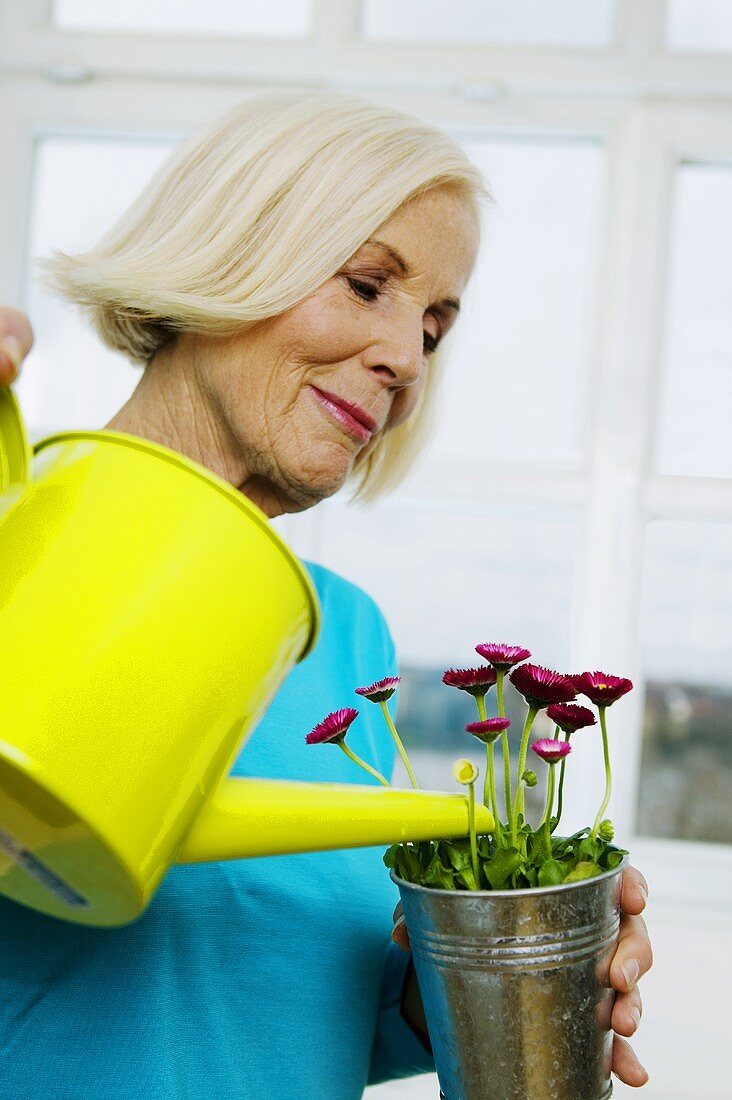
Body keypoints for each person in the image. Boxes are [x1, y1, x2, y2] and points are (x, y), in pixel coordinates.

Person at [0, 90, 652, 1097]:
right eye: (365, 284)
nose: (404, 358)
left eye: (433, 326)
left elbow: (310, 992)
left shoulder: (343, 631)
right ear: (224, 256)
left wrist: (502, 964)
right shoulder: (19, 542)